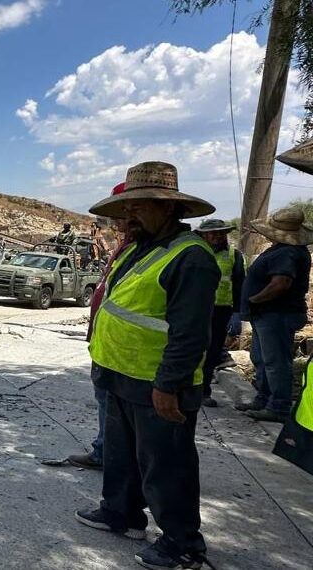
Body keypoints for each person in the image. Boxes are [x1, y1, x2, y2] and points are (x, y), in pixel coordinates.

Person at [75, 161, 219, 570]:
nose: (129, 216)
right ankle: (121, 513)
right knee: (122, 457)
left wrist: (168, 384)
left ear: (168, 208)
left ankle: (183, 543)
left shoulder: (191, 258)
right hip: (120, 374)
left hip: (157, 382)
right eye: (126, 208)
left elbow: (190, 333)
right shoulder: (142, 248)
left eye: (138, 207)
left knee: (166, 466)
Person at [65, 182, 136, 471]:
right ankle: (105, 451)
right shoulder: (129, 246)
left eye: (122, 213)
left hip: (129, 353)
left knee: (115, 409)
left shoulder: (153, 251)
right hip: (109, 347)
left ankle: (111, 457)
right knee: (107, 405)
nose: (117, 222)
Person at [235, 208, 313, 423]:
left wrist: (255, 299)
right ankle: (264, 399)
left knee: (275, 361)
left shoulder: (287, 253)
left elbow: (281, 283)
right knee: (261, 358)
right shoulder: (281, 250)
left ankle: (278, 406)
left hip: (277, 314)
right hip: (268, 314)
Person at [194, 219, 246, 408]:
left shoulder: (234, 255)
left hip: (221, 310)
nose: (217, 237)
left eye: (221, 233)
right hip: (195, 309)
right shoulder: (194, 253)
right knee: (193, 349)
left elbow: (240, 285)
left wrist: (237, 313)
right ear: (204, 235)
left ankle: (203, 391)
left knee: (212, 352)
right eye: (213, 233)